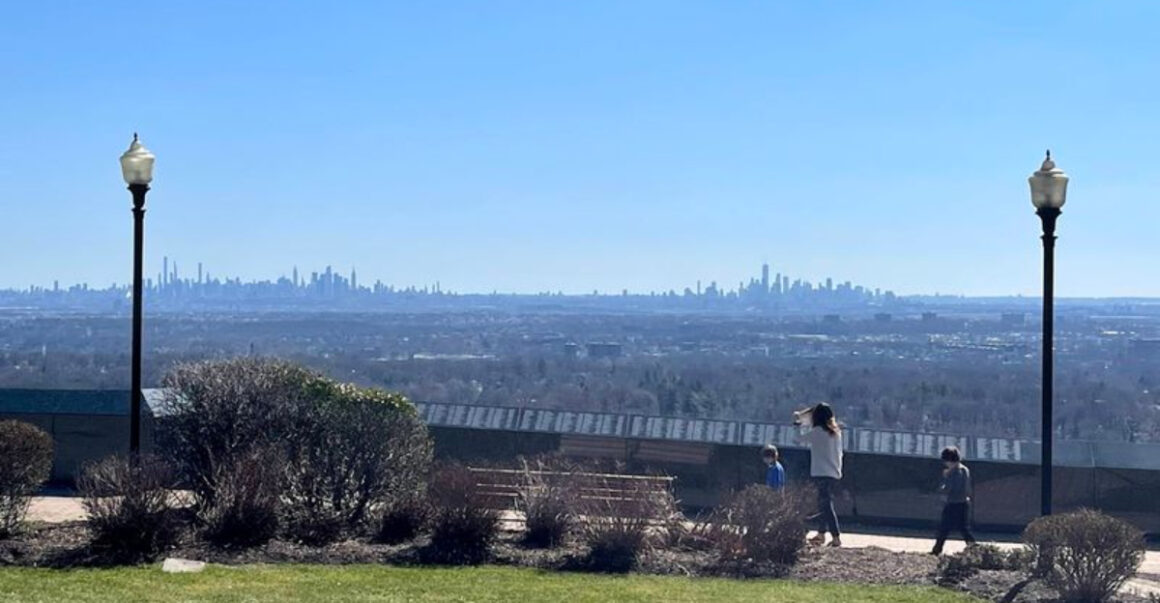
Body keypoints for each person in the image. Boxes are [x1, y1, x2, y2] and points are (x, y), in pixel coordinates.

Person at [794, 402, 843, 547]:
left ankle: (836, 536)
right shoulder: (836, 433)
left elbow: (798, 439)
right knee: (823, 503)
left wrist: (797, 422)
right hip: (834, 472)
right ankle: (821, 534)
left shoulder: (817, 432)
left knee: (825, 505)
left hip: (821, 472)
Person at [931, 446, 976, 555]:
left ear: (949, 461)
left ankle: (937, 550)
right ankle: (975, 549)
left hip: (953, 503)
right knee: (963, 528)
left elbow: (949, 488)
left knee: (944, 527)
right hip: (964, 502)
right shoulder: (965, 469)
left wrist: (945, 478)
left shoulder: (955, 472)